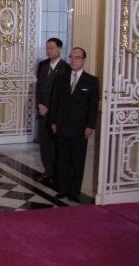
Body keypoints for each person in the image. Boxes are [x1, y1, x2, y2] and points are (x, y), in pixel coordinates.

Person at [50, 47, 99, 203]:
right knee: (62, 159)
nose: (73, 60)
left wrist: (90, 126)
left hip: (80, 129)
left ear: (84, 60)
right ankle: (63, 189)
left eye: (77, 57)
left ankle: (74, 191)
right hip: (62, 125)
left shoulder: (91, 81)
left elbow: (92, 106)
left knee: (77, 161)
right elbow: (55, 102)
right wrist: (54, 122)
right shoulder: (61, 78)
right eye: (71, 57)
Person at [35, 38, 70, 185]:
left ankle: (57, 173)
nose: (49, 50)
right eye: (47, 48)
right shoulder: (43, 66)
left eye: (52, 48)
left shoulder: (65, 68)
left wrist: (50, 108)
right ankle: (47, 171)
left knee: (55, 145)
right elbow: (38, 89)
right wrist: (40, 105)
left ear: (59, 49)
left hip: (56, 115)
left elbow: (63, 94)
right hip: (43, 113)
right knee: (44, 145)